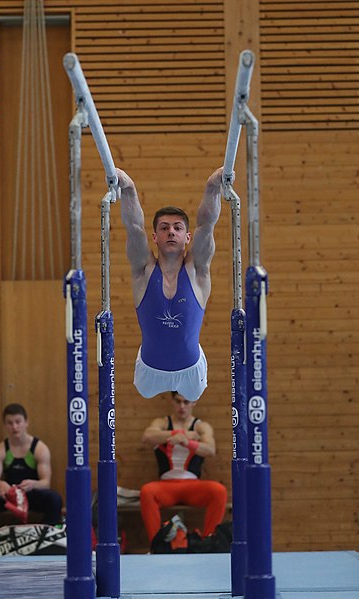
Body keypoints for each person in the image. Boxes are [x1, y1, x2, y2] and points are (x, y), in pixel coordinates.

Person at [116, 166, 224, 401]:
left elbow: (206, 225)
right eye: (164, 228)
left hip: (191, 371)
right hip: (149, 371)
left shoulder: (197, 271)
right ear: (154, 237)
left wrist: (212, 186)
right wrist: (128, 188)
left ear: (187, 237)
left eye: (177, 228)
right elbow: (134, 228)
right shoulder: (144, 271)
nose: (171, 232)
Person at [0, 403, 62, 561]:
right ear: (5, 425)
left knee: (55, 499)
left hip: (30, 494)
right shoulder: (1, 449)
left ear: (26, 422)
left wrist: (34, 484)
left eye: (18, 422)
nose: (15, 427)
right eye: (10, 423)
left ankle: (44, 543)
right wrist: (1, 484)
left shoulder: (39, 449)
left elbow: (46, 483)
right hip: (9, 496)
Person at [139, 391, 227, 545]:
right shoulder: (163, 423)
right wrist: (178, 433)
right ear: (172, 402)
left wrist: (187, 442)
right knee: (147, 491)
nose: (182, 406)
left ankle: (209, 542)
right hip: (167, 486)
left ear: (194, 403)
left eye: (186, 402)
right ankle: (156, 545)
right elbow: (147, 436)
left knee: (218, 491)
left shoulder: (201, 426)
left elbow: (210, 449)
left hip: (192, 486)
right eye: (178, 401)